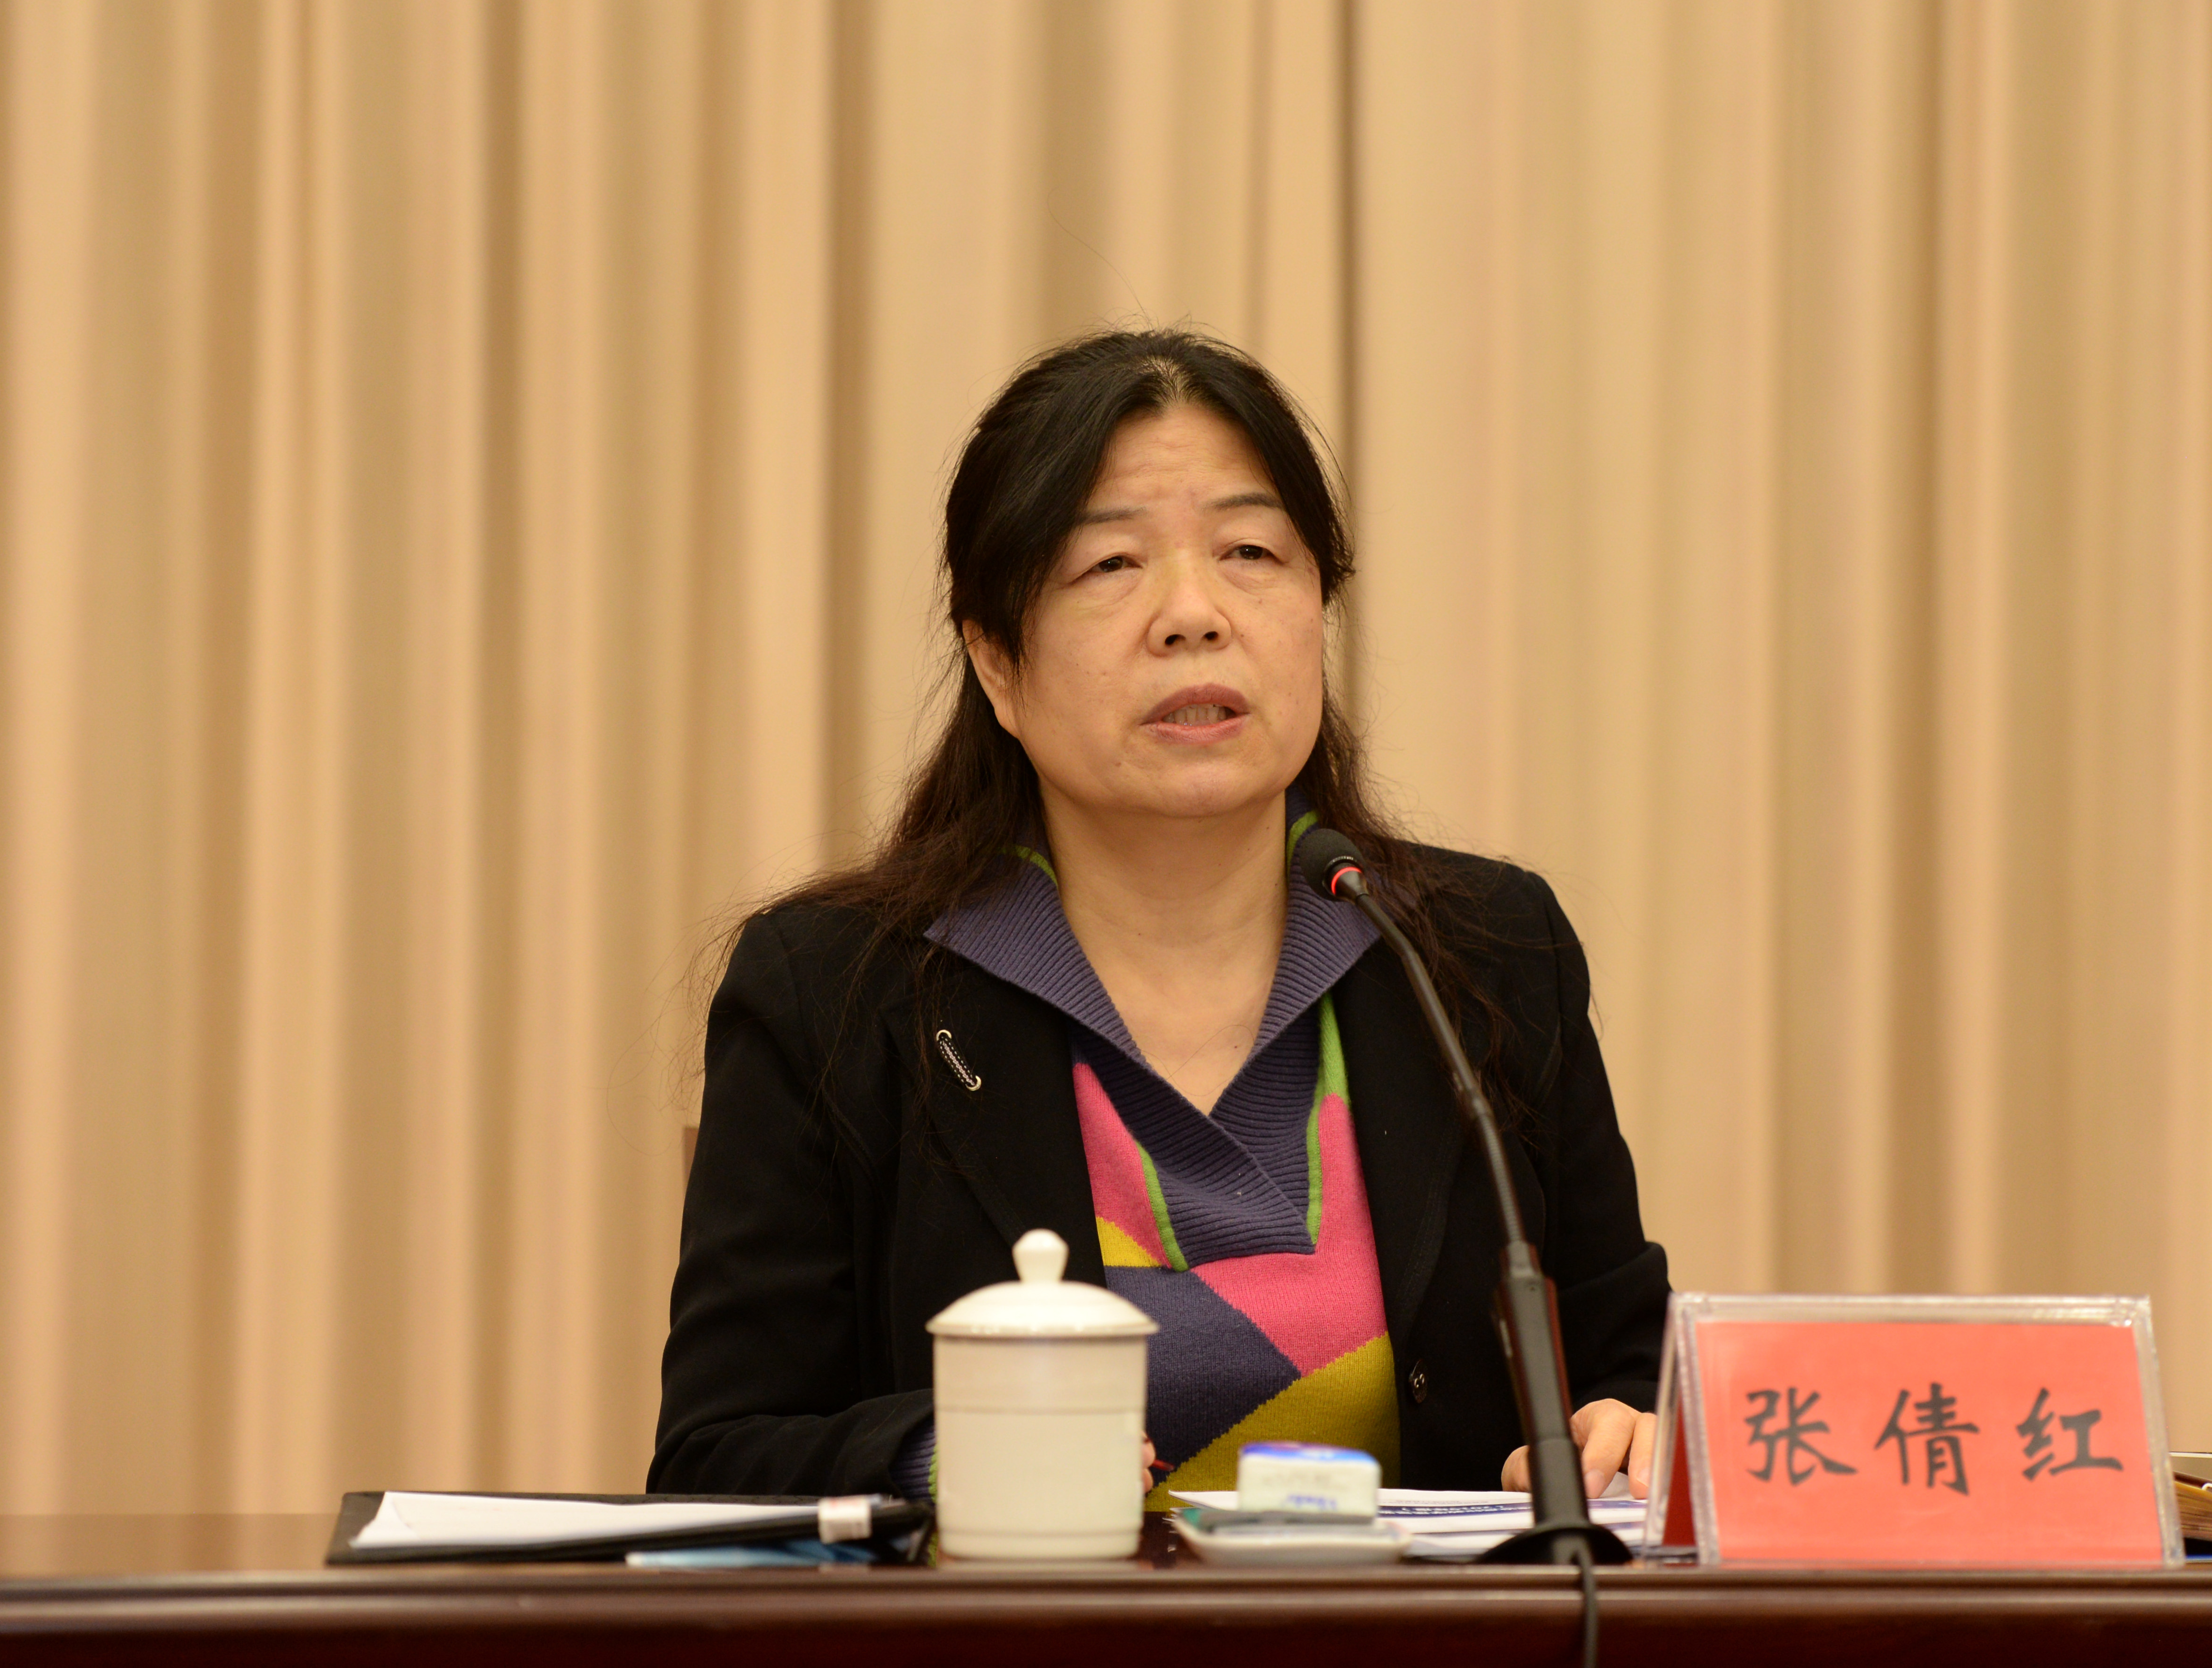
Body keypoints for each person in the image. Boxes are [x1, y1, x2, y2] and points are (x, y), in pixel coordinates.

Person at [650, 329, 1668, 1506]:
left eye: (1250, 553)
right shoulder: (835, 996)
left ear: (1318, 612)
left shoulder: (1484, 952)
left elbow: (1629, 1370)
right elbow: (714, 1463)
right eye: (1112, 565)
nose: (1194, 613)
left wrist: (1634, 1433)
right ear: (997, 661)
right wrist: (940, 1458)